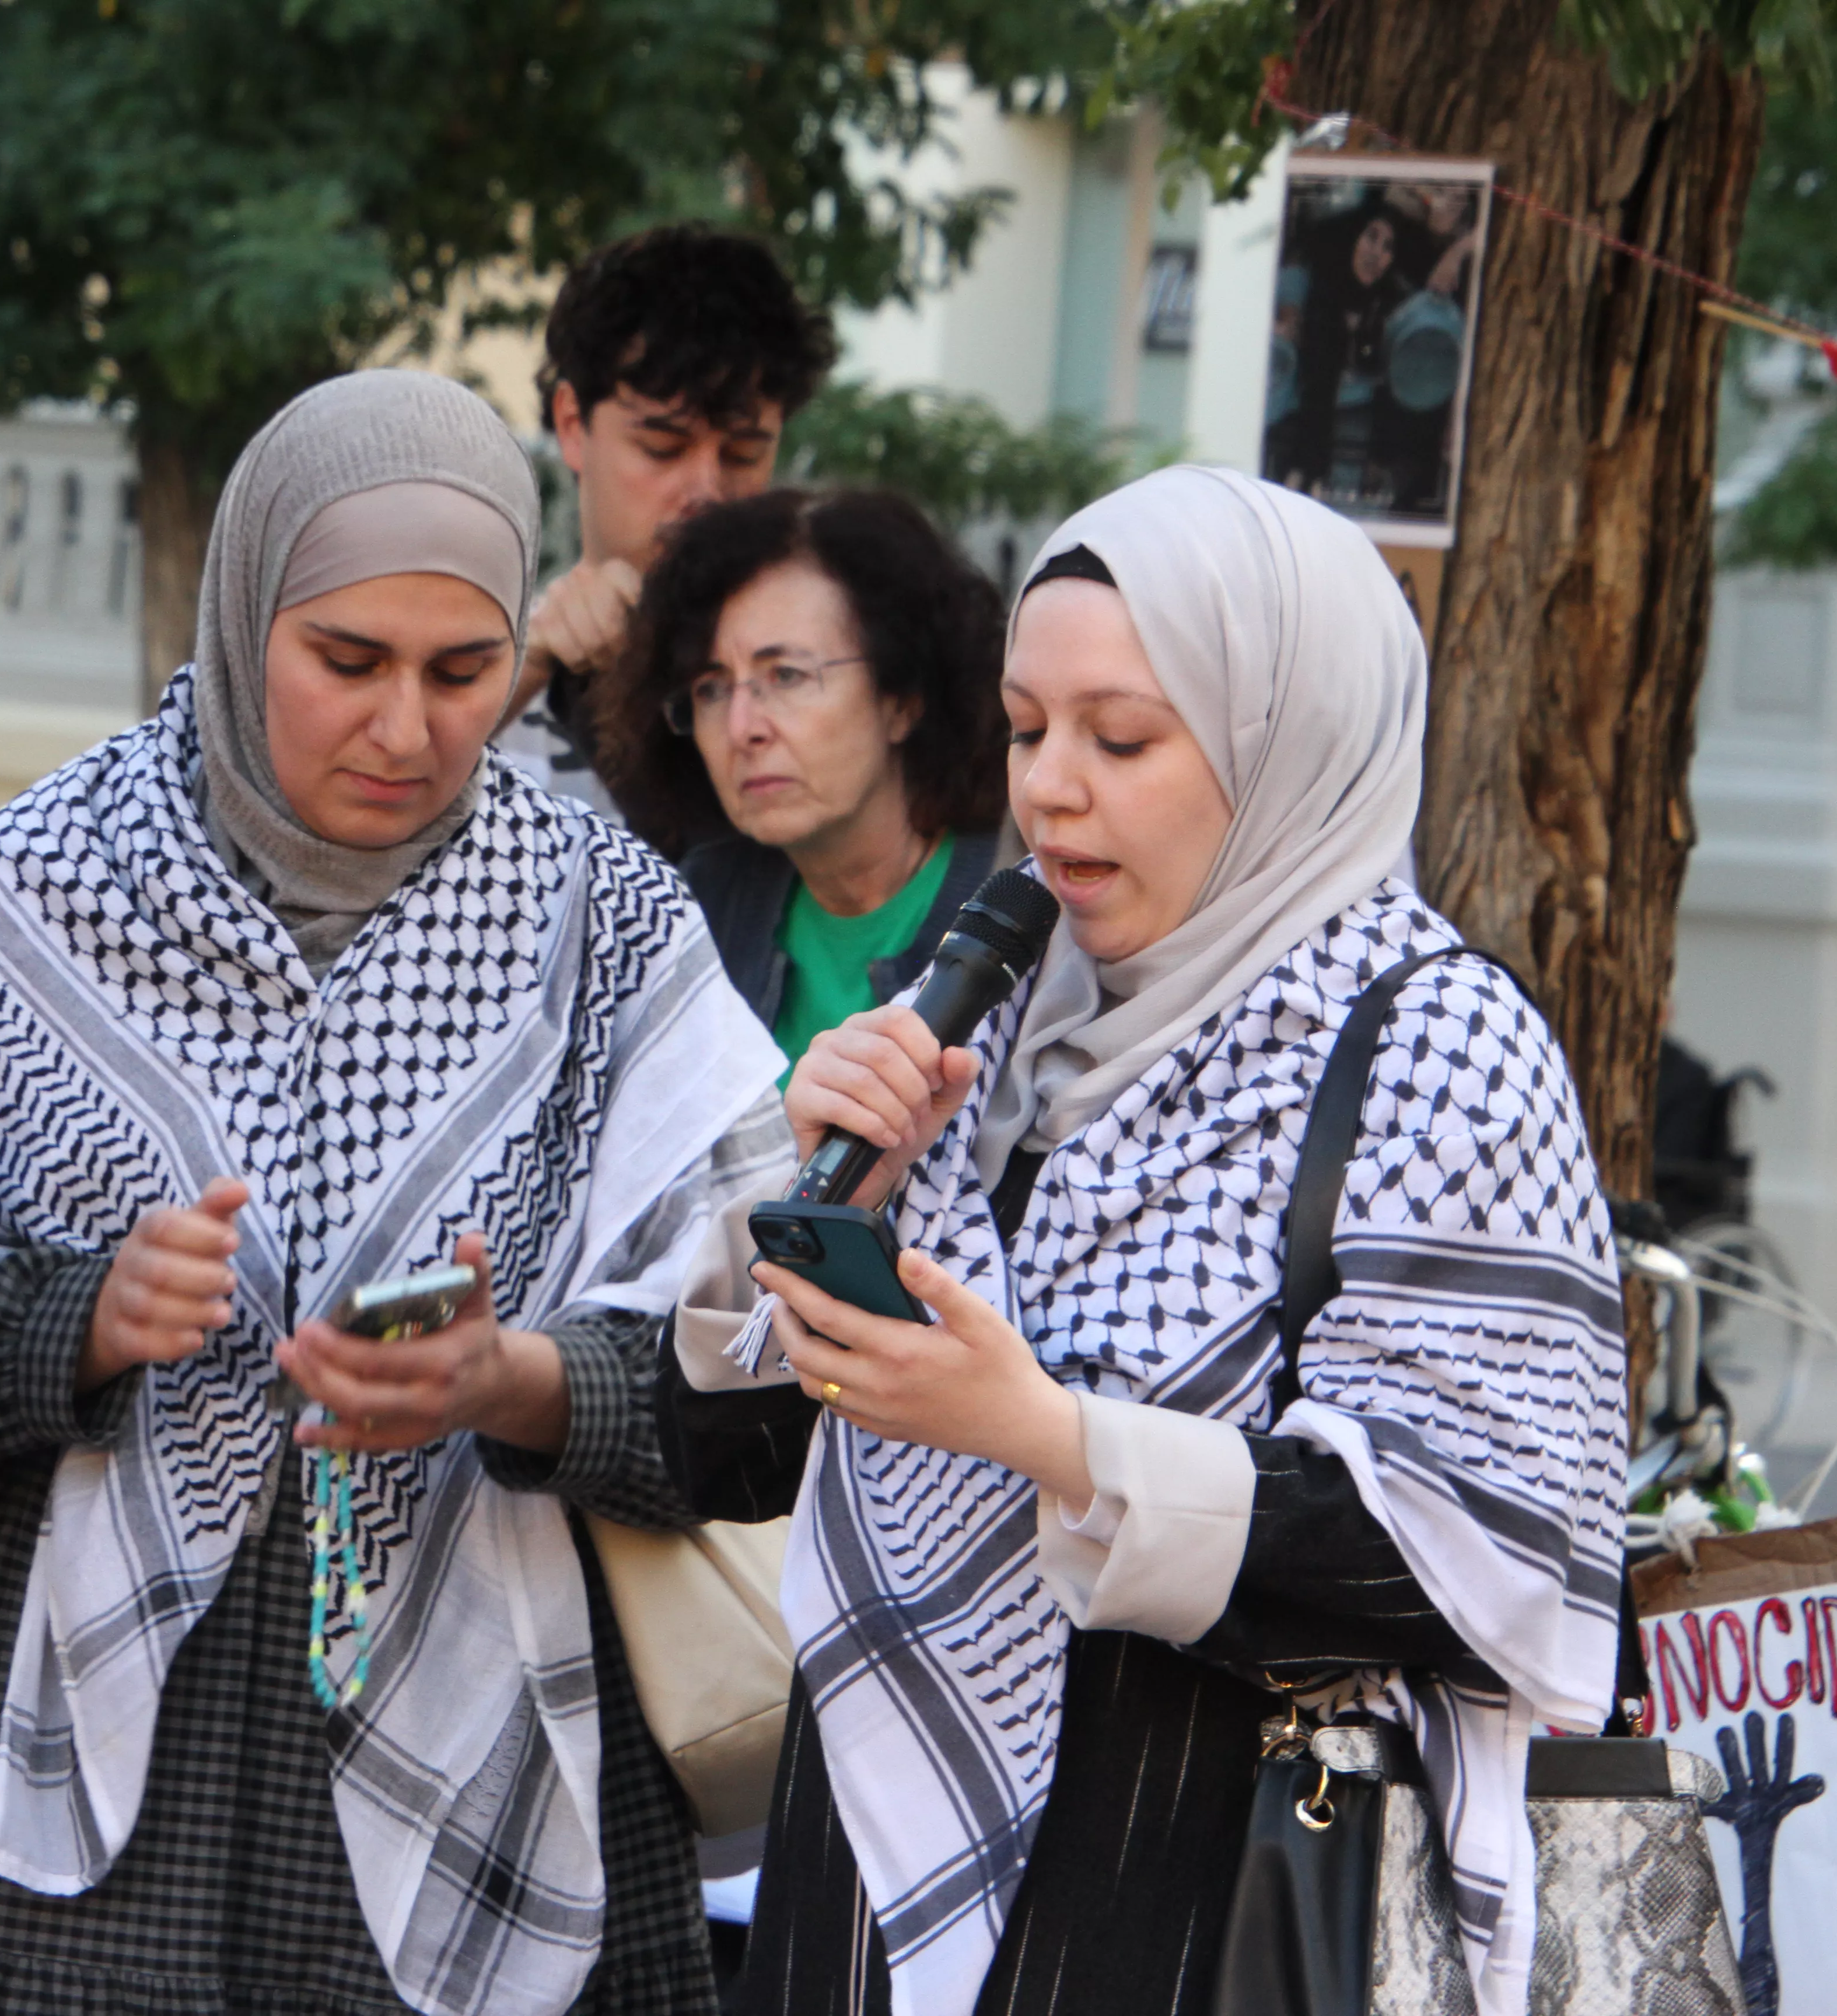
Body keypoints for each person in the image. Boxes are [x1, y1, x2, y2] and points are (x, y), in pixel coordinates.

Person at [0, 370, 792, 2016]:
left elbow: (756, 1383)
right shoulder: (44, 893)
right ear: (241, 606)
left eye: (463, 671)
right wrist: (87, 1317)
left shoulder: (604, 927)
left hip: (499, 1726)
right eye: (346, 663)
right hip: (86, 1819)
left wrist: (516, 1380)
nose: (406, 730)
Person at [659, 466, 1626, 2016]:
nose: (1048, 794)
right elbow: (721, 1453)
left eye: (1121, 740)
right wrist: (810, 1194)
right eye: (1029, 733)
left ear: (1283, 741)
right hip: (867, 1881)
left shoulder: (1438, 1050)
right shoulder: (984, 1001)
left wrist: (1038, 1434)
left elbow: (1472, 1558)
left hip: (1204, 1886)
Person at [597, 487, 1009, 1070]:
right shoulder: (705, 904)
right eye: (712, 688)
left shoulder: (1016, 903)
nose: (742, 728)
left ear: (902, 699)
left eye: (786, 675)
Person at [495, 225, 835, 817]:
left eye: (743, 454)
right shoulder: (503, 676)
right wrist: (524, 669)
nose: (705, 492)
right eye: (663, 447)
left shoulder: (834, 679)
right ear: (573, 426)